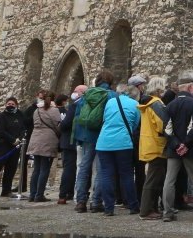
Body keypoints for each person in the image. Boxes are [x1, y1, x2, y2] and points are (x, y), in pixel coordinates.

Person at [163, 71, 193, 223]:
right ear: (189, 87)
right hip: (190, 148)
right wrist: (185, 144)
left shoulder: (170, 105)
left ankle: (167, 212)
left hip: (173, 149)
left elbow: (167, 129)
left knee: (170, 180)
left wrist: (176, 144)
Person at [96, 82, 141, 216]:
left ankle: (109, 208)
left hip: (103, 142)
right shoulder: (135, 105)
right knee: (126, 174)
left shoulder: (110, 102)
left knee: (106, 175)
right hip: (123, 143)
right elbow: (135, 124)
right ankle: (133, 205)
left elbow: (105, 119)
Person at [74, 70, 113, 213]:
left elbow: (78, 118)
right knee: (102, 168)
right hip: (104, 135)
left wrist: (79, 138)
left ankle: (80, 201)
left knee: (84, 167)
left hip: (87, 136)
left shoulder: (86, 95)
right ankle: (96, 202)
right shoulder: (112, 96)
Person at [136, 76, 169, 218]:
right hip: (157, 145)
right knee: (154, 179)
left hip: (149, 143)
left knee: (154, 177)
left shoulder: (148, 103)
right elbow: (162, 124)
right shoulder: (157, 104)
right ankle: (147, 210)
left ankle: (152, 208)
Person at [27, 91, 61, 202]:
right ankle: (39, 195)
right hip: (48, 140)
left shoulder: (36, 110)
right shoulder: (55, 110)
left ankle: (32, 194)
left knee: (36, 168)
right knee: (44, 169)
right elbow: (58, 125)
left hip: (35, 139)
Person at [57, 89, 82, 204]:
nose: (74, 92)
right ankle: (72, 193)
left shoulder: (74, 106)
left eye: (76, 91)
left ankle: (64, 194)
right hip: (80, 140)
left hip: (69, 141)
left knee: (68, 168)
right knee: (77, 168)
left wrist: (60, 125)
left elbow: (66, 124)